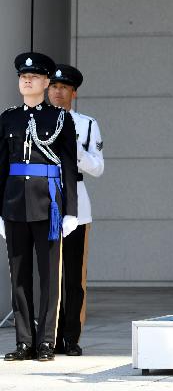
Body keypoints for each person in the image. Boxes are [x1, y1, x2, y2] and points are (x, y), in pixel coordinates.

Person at [0, 52, 79, 362]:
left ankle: (45, 342)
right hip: (14, 203)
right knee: (18, 276)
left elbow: (69, 167)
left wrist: (70, 209)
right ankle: (24, 342)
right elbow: (2, 165)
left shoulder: (60, 118)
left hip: (48, 203)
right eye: (22, 77)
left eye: (33, 77)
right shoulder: (8, 117)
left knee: (49, 276)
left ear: (46, 82)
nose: (27, 80)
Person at [48, 64, 104, 356]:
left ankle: (70, 337)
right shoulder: (35, 121)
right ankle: (48, 336)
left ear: (74, 92)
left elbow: (98, 168)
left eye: (64, 88)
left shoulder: (86, 124)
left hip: (77, 204)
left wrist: (75, 151)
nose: (58, 92)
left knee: (73, 277)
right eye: (54, 87)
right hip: (42, 201)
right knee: (48, 275)